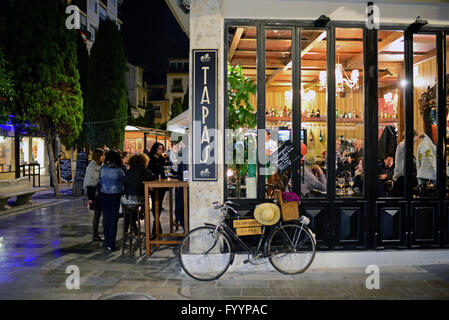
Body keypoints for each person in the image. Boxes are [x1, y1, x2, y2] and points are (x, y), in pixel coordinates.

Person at [99, 150, 125, 252]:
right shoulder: (118, 170)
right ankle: (111, 243)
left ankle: (106, 241)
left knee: (106, 218)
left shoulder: (103, 168)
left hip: (104, 194)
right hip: (115, 195)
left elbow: (100, 180)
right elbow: (124, 180)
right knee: (114, 219)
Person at [123, 153, 155, 234]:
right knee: (144, 201)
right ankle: (141, 214)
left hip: (126, 199)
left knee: (129, 210)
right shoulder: (143, 170)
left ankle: (126, 231)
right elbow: (152, 177)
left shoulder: (129, 171)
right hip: (138, 198)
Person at [147, 142, 169, 237]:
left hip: (158, 184)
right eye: (159, 148)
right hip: (156, 184)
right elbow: (157, 170)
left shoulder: (158, 158)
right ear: (155, 149)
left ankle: (156, 225)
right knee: (157, 204)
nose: (161, 150)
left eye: (162, 149)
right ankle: (156, 226)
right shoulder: (154, 158)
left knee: (158, 204)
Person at [83, 148, 105, 242]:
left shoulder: (101, 166)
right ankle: (95, 235)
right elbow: (90, 183)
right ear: (98, 156)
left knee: (102, 214)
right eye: (102, 155)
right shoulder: (91, 167)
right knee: (97, 215)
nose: (104, 157)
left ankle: (104, 233)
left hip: (101, 193)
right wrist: (90, 198)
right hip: (95, 195)